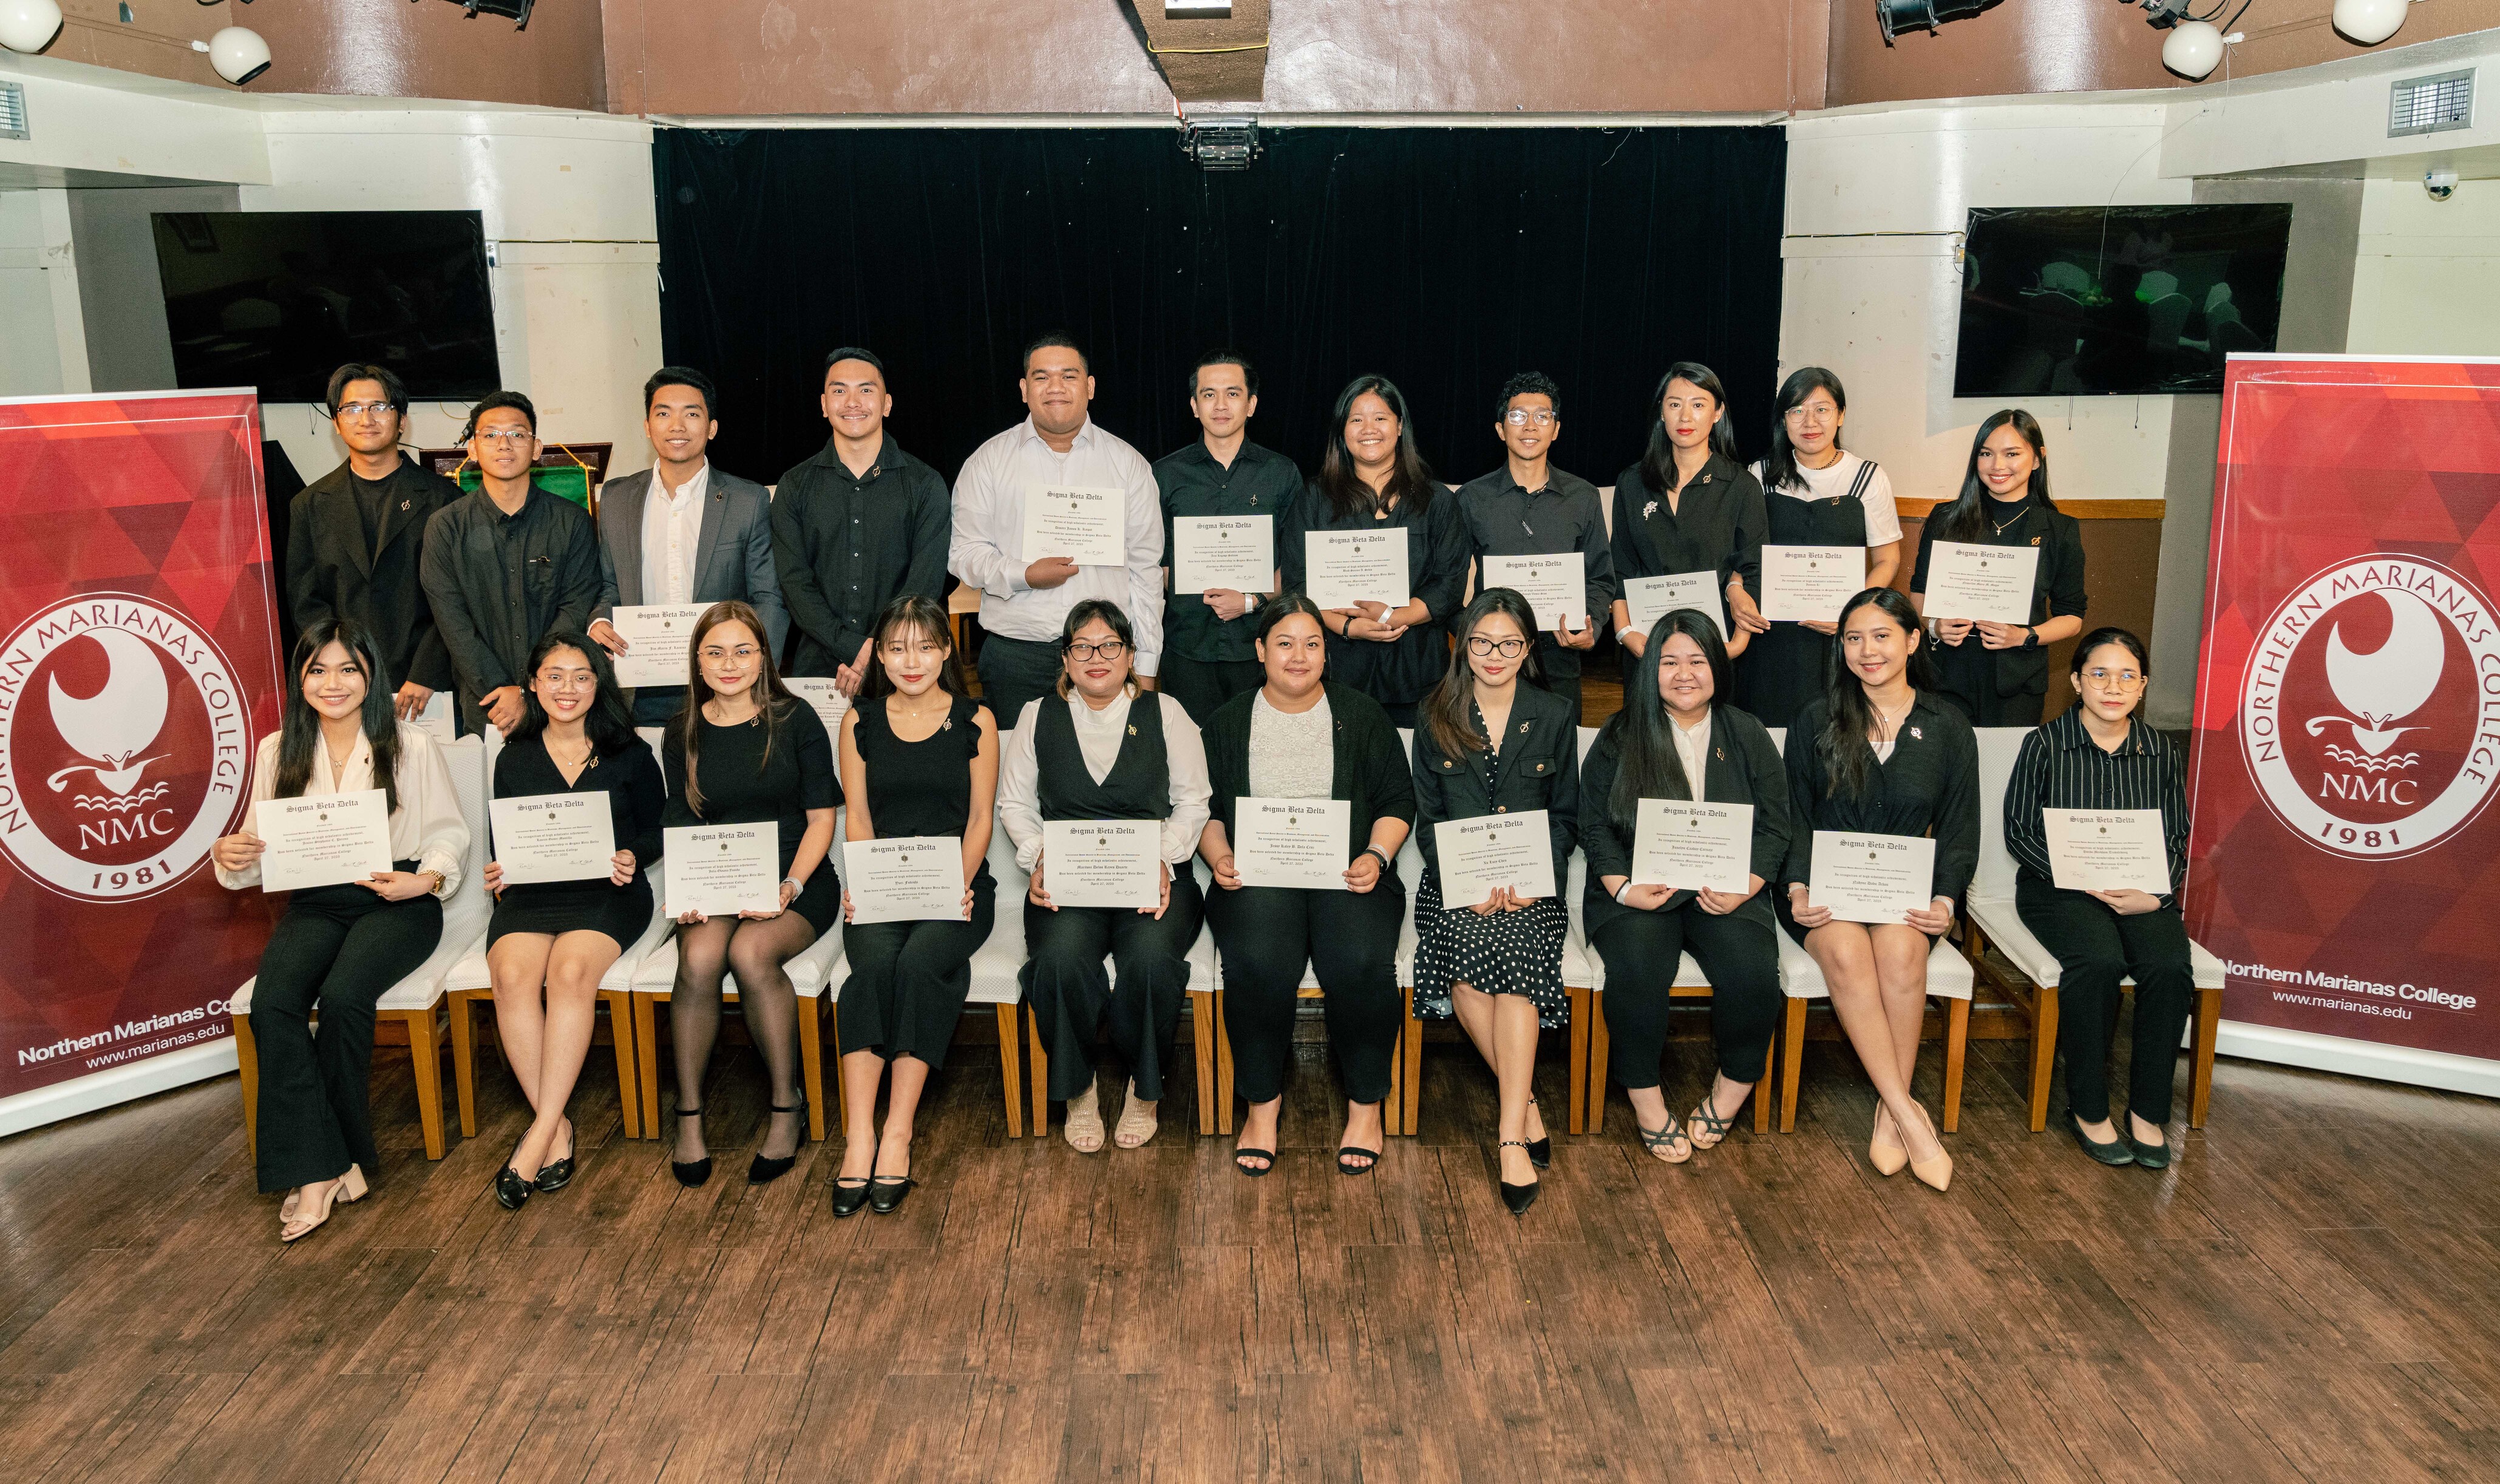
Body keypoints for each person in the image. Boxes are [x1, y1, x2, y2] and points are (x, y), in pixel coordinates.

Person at [211, 620, 467, 1242]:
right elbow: (258, 853)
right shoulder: (277, 750)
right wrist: (233, 856)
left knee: (347, 997)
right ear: (300, 681)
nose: (333, 683)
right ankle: (333, 1165)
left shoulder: (410, 744)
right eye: (317, 670)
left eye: (348, 669)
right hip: (317, 901)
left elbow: (448, 832)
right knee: (273, 1004)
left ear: (371, 676)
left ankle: (321, 1172)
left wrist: (426, 879)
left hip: (395, 898)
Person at [1197, 594, 1415, 1177]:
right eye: (1285, 643)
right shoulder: (1226, 722)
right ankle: (1262, 1104)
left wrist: (1376, 853)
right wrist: (1219, 857)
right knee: (1260, 962)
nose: (1299, 656)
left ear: (1327, 652)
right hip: (1257, 874)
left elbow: (1397, 801)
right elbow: (1204, 809)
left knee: (1361, 960)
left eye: (1313, 643)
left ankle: (1366, 1105)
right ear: (1261, 649)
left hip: (1348, 872)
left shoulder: (1363, 716)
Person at [1778, 588, 1979, 1194]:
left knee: (1899, 952)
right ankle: (1908, 1116)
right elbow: (1792, 816)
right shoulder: (1815, 718)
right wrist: (1794, 887)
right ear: (1840, 649)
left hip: (1903, 892)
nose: (1867, 650)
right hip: (1825, 890)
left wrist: (1945, 899)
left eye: (1882, 635)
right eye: (1853, 638)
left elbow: (1959, 828)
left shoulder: (1947, 726)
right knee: (1842, 950)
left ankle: (1887, 1113)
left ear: (1912, 641)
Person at [998, 600, 1211, 1153]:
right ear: (1065, 658)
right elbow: (1015, 804)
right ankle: (1079, 1087)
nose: (1097, 657)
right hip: (1066, 879)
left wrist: (1164, 859)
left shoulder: (1167, 713)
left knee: (1149, 961)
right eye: (1082, 647)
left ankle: (1145, 1088)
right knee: (1060, 961)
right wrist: (1038, 857)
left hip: (1155, 876)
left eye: (1110, 645)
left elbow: (1194, 802)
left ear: (1130, 653)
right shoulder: (1034, 716)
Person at [1581, 609, 1788, 1162]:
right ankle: (1646, 1097)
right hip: (1639, 889)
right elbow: (1594, 823)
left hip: (1727, 889)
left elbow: (1775, 823)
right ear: (1651, 670)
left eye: (1697, 660)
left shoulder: (1747, 731)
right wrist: (1623, 888)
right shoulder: (1623, 731)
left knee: (1751, 969)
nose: (1684, 673)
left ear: (1717, 666)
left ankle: (1733, 1087)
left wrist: (1747, 885)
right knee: (1639, 966)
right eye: (1669, 661)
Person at [479, 631, 664, 1209]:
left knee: (569, 973)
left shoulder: (630, 751)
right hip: (534, 895)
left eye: (581, 676)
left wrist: (634, 852)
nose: (568, 688)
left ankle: (536, 1136)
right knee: (510, 976)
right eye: (554, 675)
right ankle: (554, 1125)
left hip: (609, 892)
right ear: (533, 683)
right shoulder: (515, 755)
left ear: (598, 684)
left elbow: (658, 828)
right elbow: (502, 840)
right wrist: (499, 872)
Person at [661, 600, 840, 1189]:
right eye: (714, 651)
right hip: (715, 882)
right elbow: (680, 819)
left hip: (796, 879)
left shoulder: (797, 719)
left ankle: (786, 1106)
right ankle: (688, 1113)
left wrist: (788, 886)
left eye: (742, 650)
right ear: (697, 660)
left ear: (763, 656)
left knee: (749, 953)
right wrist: (685, 890)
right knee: (701, 956)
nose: (729, 663)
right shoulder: (679, 728)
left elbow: (820, 820)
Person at [1410, 589, 1578, 1216]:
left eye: (1509, 643)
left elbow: (1564, 817)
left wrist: (1535, 880)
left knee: (1512, 950)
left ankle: (1508, 1136)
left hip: (1531, 885)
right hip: (1455, 886)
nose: (1494, 654)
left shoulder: (1555, 713)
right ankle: (1525, 1104)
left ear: (1528, 649)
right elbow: (1427, 821)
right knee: (1465, 960)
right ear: (1461, 645)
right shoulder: (1433, 713)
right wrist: (1467, 881)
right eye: (1481, 642)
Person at [831, 595, 1000, 1216]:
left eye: (925, 646)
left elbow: (980, 819)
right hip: (881, 886)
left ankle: (897, 1130)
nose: (911, 660)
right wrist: (866, 883)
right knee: (871, 970)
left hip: (957, 885)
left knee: (922, 964)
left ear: (946, 650)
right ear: (878, 653)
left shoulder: (974, 718)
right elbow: (857, 815)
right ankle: (860, 1137)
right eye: (897, 647)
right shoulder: (859, 722)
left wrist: (954, 886)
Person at [2003, 628, 2193, 1169]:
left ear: (2144, 686)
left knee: (2168, 964)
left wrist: (2156, 896)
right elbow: (2018, 830)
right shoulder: (2043, 743)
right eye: (2100, 674)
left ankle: (2148, 1111)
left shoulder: (2157, 749)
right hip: (2059, 890)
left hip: (2140, 888)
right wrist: (2074, 875)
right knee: (2099, 960)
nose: (2114, 686)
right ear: (2077, 681)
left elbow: (2177, 834)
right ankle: (2088, 1107)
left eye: (2127, 675)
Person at [949, 334, 1164, 725]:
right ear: (1023, 389)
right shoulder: (987, 462)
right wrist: (1024, 574)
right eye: (1041, 377)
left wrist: (1146, 664)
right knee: (1016, 776)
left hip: (1106, 655)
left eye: (1069, 375)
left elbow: (1146, 572)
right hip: (1017, 655)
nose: (1055, 388)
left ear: (1090, 386)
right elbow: (965, 554)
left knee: (1105, 777)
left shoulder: (1128, 465)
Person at [590, 368, 788, 725]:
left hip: (725, 688)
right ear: (648, 426)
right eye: (663, 413)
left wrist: (755, 672)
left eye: (692, 414)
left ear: (711, 427)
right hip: (639, 690)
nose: (677, 425)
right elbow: (608, 586)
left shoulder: (747, 500)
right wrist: (600, 621)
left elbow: (769, 597)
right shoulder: (617, 499)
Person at [1277, 375, 1469, 730]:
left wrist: (1394, 617)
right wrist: (1349, 627)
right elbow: (1297, 583)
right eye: (1356, 419)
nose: (1369, 429)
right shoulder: (1314, 499)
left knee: (1417, 772)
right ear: (1342, 430)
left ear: (1399, 427)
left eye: (1380, 418)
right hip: (1337, 667)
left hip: (1418, 668)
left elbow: (1450, 583)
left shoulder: (1437, 500)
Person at [285, 363, 463, 720]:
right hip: (345, 690)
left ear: (402, 419)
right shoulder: (309, 504)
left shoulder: (446, 500)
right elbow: (306, 604)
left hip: (427, 688)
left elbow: (458, 598)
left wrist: (426, 672)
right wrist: (342, 672)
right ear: (337, 424)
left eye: (379, 407)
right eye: (352, 409)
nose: (366, 418)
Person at [419, 391, 602, 736]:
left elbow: (575, 609)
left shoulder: (572, 522)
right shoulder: (445, 527)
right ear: (472, 449)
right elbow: (454, 624)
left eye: (517, 434)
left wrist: (532, 685)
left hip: (561, 702)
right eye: (490, 435)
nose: (504, 444)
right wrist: (504, 689)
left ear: (536, 449)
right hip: (487, 707)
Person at [771, 348, 950, 693]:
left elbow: (924, 582)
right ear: (824, 405)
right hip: (820, 667)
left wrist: (880, 646)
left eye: (866, 390)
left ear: (887, 404)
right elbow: (794, 584)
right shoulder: (795, 486)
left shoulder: (925, 484)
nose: (852, 401)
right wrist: (854, 648)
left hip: (906, 665)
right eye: (839, 391)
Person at [1736, 368, 1902, 731]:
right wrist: (1735, 591)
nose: (1809, 422)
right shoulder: (1759, 473)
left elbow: (1888, 559)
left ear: (1841, 415)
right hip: (1769, 634)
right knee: (1767, 736)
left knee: (1831, 739)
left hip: (1837, 636)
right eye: (1796, 410)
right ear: (1783, 419)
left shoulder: (1868, 477)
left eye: (1822, 410)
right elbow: (1742, 553)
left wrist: (1851, 615)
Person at [1455, 372, 1615, 727]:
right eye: (1517, 416)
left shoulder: (1583, 497)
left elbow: (1601, 578)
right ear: (1500, 429)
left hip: (1559, 659)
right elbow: (1447, 581)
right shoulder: (1472, 498)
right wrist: (1471, 634)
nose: (1530, 425)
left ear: (1556, 429)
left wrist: (1591, 626)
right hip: (1489, 662)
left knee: (1558, 767)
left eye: (1542, 416)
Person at [1910, 409, 2087, 726]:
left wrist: (2024, 636)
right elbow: (1919, 593)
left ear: (2037, 459)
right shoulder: (1945, 518)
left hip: (2017, 681)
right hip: (1945, 675)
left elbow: (2072, 617)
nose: (1997, 466)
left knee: (2007, 770)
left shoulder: (2060, 530)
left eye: (2012, 454)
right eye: (1986, 453)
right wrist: (1935, 626)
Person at [1155, 351, 1299, 726]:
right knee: (1190, 761)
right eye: (1208, 394)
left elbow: (1295, 564)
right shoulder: (1163, 475)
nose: (1220, 405)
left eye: (1233, 394)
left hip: (1259, 648)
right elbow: (1155, 562)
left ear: (1251, 405)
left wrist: (1251, 601)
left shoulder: (1282, 474)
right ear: (1193, 405)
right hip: (1185, 646)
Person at [1606, 363, 1764, 693]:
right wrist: (1625, 633)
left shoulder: (1742, 486)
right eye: (1675, 404)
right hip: (1646, 645)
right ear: (1662, 412)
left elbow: (1753, 569)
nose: (1685, 417)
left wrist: (1734, 646)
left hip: (1713, 649)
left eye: (1698, 404)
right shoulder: (1632, 483)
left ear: (1718, 413)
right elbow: (1620, 568)